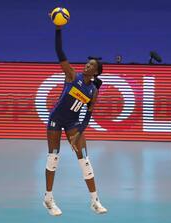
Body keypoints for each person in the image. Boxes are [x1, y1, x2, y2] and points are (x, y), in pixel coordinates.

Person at [43, 25, 108, 216]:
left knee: (84, 160)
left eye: (91, 65)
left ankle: (95, 200)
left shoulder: (92, 92)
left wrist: (78, 133)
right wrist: (57, 29)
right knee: (53, 157)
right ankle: (48, 198)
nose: (86, 66)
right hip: (56, 119)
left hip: (73, 124)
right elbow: (59, 51)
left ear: (95, 72)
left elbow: (87, 115)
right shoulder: (72, 76)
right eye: (87, 63)